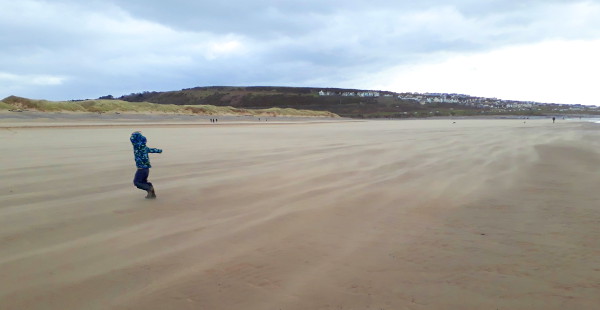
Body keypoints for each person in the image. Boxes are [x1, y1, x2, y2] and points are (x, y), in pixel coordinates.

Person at [130, 131, 162, 199]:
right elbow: (152, 150)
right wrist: (159, 150)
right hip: (146, 169)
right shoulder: (144, 147)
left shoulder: (137, 147)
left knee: (137, 182)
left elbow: (133, 138)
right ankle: (151, 194)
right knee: (143, 181)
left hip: (141, 169)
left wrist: (135, 134)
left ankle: (149, 189)